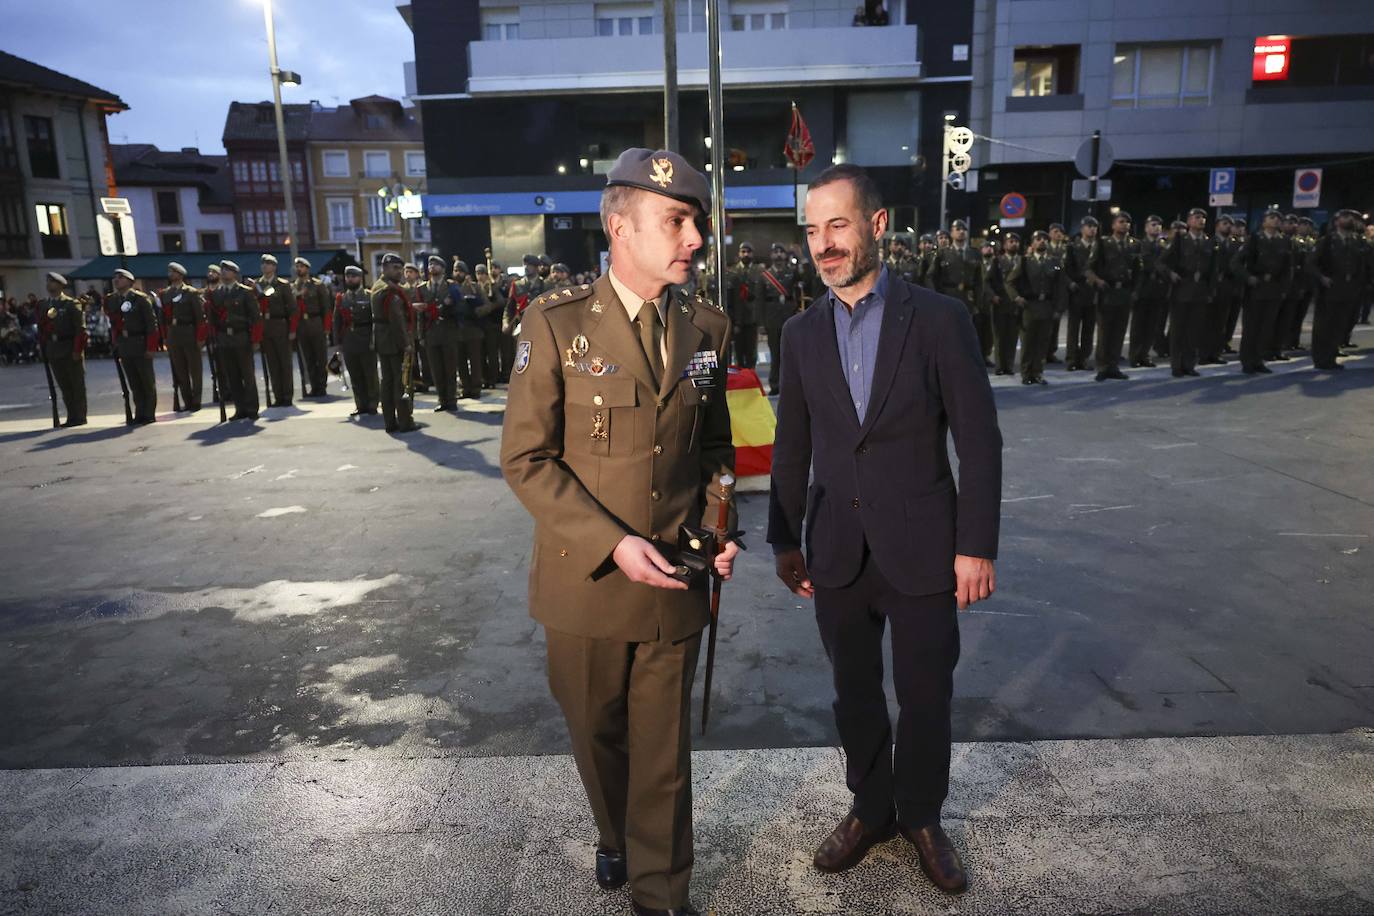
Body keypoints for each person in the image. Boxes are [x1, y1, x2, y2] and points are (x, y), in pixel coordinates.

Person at [501, 147, 738, 916]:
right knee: (598, 734)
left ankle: (660, 894)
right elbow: (526, 459)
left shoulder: (708, 328)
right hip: (588, 584)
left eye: (695, 222)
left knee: (664, 756)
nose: (694, 239)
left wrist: (716, 525)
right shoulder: (557, 322)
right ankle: (614, 832)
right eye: (676, 221)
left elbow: (715, 450)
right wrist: (613, 543)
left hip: (673, 579)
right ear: (619, 227)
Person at [769, 163, 1000, 896]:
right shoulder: (800, 332)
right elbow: (791, 445)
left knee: (926, 691)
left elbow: (980, 439)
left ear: (876, 225)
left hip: (926, 544)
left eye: (837, 225)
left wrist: (976, 546)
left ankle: (922, 817)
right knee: (854, 692)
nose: (823, 244)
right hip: (837, 545)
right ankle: (870, 809)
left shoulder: (937, 318)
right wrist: (783, 539)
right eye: (812, 230)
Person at [1231, 207, 1292, 375]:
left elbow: (1288, 268)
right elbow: (1235, 263)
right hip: (1255, 289)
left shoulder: (1284, 241)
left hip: (1274, 289)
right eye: (1272, 217)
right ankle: (1247, 361)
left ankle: (1258, 360)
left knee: (1266, 328)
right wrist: (1248, 277)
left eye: (1278, 218)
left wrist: (1284, 288)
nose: (1275, 220)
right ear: (1264, 221)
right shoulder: (1254, 239)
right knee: (1251, 328)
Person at [926, 219, 992, 366]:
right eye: (958, 229)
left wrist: (978, 302)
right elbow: (931, 277)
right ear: (952, 232)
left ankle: (964, 364)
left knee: (966, 335)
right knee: (948, 334)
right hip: (948, 296)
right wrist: (935, 298)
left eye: (964, 229)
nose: (961, 231)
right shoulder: (942, 254)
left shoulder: (974, 254)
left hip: (967, 299)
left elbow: (979, 281)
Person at [1310, 209, 1368, 371]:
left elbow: (1362, 266)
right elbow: (1311, 263)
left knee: (1339, 325)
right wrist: (1322, 278)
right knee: (1324, 325)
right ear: (1336, 222)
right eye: (1345, 217)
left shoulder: (1357, 241)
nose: (1349, 220)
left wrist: (1359, 284)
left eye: (1351, 218)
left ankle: (1331, 356)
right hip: (1329, 289)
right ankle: (1320, 358)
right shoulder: (1327, 241)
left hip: (1348, 289)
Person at [1005, 230, 1064, 386]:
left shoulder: (1054, 262)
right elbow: (1009, 282)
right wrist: (1016, 297)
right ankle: (1026, 373)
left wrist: (1059, 308)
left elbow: (1060, 287)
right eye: (1038, 239)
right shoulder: (1025, 261)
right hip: (1029, 307)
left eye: (1045, 239)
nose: (1042, 241)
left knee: (1042, 342)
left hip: (1047, 306)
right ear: (1032, 243)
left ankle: (1037, 372)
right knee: (1028, 342)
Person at [1162, 208, 1215, 378]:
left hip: (1200, 291)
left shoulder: (1208, 241)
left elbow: (1214, 269)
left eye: (1203, 218)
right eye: (1197, 217)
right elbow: (1162, 262)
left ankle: (1189, 364)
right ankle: (1176, 365)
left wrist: (1211, 290)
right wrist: (1171, 274)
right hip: (1182, 289)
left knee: (1194, 331)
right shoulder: (1180, 240)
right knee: (1178, 330)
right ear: (1189, 221)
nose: (1201, 220)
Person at [1087, 211, 1141, 381]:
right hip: (1107, 292)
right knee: (1105, 332)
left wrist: (1135, 291)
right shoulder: (1103, 243)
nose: (1124, 225)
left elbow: (1139, 271)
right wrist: (1097, 280)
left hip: (1124, 292)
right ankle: (1102, 366)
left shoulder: (1134, 245)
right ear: (1113, 225)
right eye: (1121, 221)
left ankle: (1113, 365)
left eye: (1127, 222)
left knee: (1119, 332)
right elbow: (1088, 268)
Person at [208, 260, 262, 421]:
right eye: (223, 270)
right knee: (232, 376)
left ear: (235, 273)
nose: (224, 272)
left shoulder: (245, 292)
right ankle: (240, 408)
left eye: (228, 270)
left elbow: (255, 318)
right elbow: (212, 319)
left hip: (241, 337)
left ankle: (252, 408)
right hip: (224, 339)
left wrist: (255, 340)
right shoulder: (216, 293)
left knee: (247, 375)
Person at [372, 253, 419, 433]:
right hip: (394, 342)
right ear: (384, 268)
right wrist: (406, 344)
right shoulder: (390, 290)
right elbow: (397, 320)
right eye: (395, 268)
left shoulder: (378, 286)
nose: (399, 272)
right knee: (402, 383)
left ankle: (390, 422)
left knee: (388, 383)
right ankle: (406, 422)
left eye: (400, 268)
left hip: (383, 341)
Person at [106, 268, 160, 424]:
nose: (117, 280)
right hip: (125, 344)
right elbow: (114, 324)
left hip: (140, 342)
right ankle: (139, 411)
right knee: (134, 382)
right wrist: (116, 343)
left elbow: (151, 325)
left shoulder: (141, 299)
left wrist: (150, 347)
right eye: (115, 277)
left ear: (130, 281)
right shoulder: (113, 300)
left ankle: (149, 413)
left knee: (146, 381)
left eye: (121, 278)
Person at [36, 272, 87, 426]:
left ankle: (80, 416)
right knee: (64, 385)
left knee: (76, 385)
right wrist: (43, 348)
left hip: (69, 347)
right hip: (53, 348)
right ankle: (71, 416)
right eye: (48, 281)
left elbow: (80, 330)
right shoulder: (43, 305)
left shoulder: (71, 304)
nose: (49, 284)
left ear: (60, 285)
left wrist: (77, 350)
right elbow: (42, 329)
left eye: (52, 282)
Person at [331, 265, 379, 417]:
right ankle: (360, 404)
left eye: (353, 276)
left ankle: (373, 403)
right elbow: (336, 321)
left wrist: (374, 339)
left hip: (365, 338)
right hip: (349, 340)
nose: (350, 279)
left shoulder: (369, 296)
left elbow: (375, 321)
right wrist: (337, 342)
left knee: (369, 373)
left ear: (360, 278)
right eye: (348, 276)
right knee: (355, 374)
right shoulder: (341, 298)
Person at [158, 261, 205, 411]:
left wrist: (200, 338)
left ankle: (196, 400)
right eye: (169, 272)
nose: (170, 274)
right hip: (173, 334)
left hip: (189, 331)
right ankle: (187, 401)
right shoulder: (165, 294)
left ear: (180, 274)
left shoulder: (191, 292)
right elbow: (162, 319)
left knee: (195, 369)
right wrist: (165, 338)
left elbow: (199, 318)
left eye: (173, 272)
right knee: (180, 371)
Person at [254, 254, 296, 407]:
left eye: (269, 264)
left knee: (285, 363)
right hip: (265, 327)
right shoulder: (257, 284)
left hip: (280, 325)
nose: (265, 266)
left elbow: (292, 309)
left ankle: (287, 396)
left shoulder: (282, 285)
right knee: (272, 364)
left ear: (274, 267)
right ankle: (278, 396)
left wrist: (292, 330)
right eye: (263, 263)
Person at [760, 241, 800, 395]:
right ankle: (774, 384)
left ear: (785, 255)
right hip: (772, 318)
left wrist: (798, 256)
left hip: (788, 317)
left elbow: (806, 279)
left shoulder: (792, 273)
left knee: (789, 353)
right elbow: (760, 301)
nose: (778, 255)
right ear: (771, 256)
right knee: (775, 352)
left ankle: (789, 384)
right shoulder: (765, 276)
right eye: (775, 252)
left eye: (781, 252)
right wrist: (761, 322)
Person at [1062, 215, 1100, 372]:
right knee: (1073, 328)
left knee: (1089, 328)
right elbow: (1066, 270)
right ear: (1082, 228)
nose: (1092, 229)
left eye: (1094, 226)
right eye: (1089, 226)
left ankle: (1084, 358)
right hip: (1077, 291)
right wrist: (1072, 283)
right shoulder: (1072, 247)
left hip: (1093, 292)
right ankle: (1071, 359)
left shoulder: (1099, 247)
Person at [1129, 216, 1168, 368]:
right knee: (1138, 326)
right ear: (1146, 228)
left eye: (1159, 225)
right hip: (1142, 289)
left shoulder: (1163, 246)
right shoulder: (1139, 245)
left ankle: (1144, 355)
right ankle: (1134, 356)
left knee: (1152, 326)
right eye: (1153, 225)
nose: (1157, 227)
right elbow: (1134, 268)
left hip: (1158, 290)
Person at [294, 256, 333, 398]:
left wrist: (327, 328)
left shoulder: (317, 285)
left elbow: (326, 308)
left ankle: (322, 385)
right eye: (297, 267)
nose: (299, 269)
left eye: (302, 266)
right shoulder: (294, 286)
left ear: (307, 269)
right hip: (302, 325)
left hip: (316, 322)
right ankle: (313, 386)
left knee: (320, 357)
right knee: (308, 358)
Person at [987, 232, 1020, 376]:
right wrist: (992, 296)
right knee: (1000, 337)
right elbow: (987, 281)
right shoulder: (997, 261)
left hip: (1016, 303)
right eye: (1011, 241)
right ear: (1005, 244)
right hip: (1000, 302)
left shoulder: (1023, 260)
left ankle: (1009, 365)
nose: (1013, 244)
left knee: (1012, 336)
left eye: (1016, 241)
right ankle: (1000, 366)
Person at [726, 242, 760, 368]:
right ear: (739, 254)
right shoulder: (732, 271)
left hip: (752, 316)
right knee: (738, 352)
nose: (746, 254)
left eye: (748, 252)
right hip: (736, 318)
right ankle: (741, 381)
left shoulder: (759, 271)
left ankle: (751, 378)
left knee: (751, 352)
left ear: (753, 254)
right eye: (743, 252)